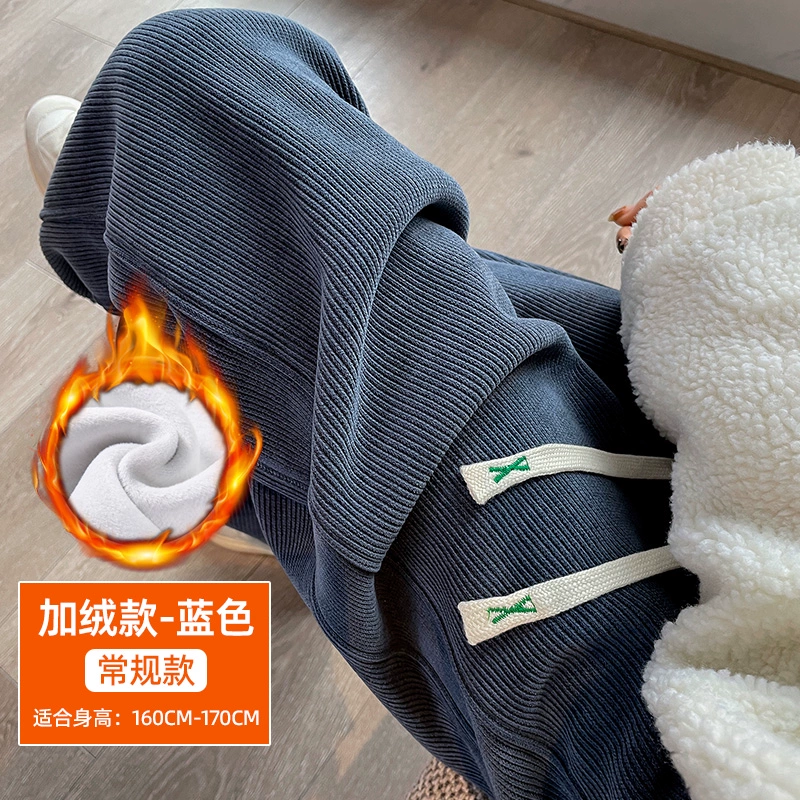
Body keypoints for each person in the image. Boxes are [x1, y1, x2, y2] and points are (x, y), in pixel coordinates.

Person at [26, 9, 699, 799]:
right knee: (456, 302)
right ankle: (240, 419)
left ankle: (154, 242)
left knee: (189, 75)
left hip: (675, 739)